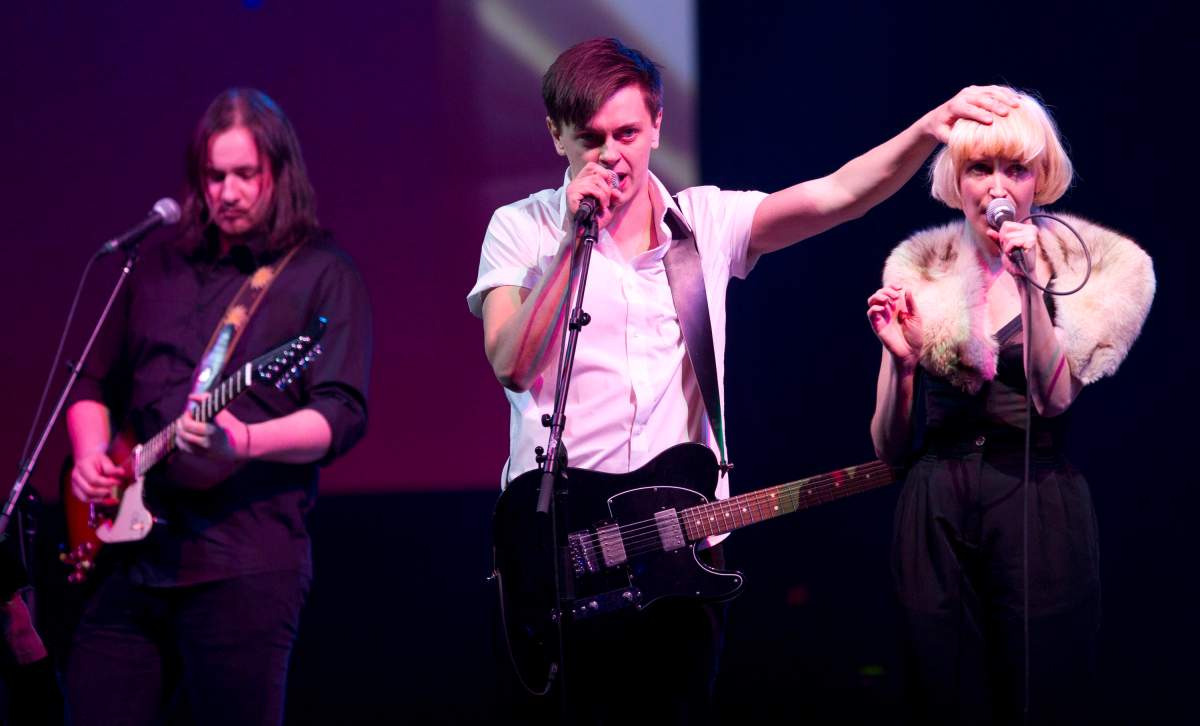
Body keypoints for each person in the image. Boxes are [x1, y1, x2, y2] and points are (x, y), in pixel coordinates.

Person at [469, 36, 1018, 723]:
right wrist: (573, 239)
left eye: (630, 133)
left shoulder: (705, 224)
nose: (613, 155)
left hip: (679, 550)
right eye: (592, 138)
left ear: (658, 125)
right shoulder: (519, 229)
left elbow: (839, 195)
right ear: (557, 135)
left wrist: (927, 127)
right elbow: (511, 361)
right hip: (564, 553)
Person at [63, 88, 371, 725]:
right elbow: (90, 384)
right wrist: (90, 456)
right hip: (129, 560)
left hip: (244, 564)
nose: (227, 191)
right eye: (214, 176)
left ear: (277, 175)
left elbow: (340, 412)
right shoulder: (154, 268)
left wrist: (248, 443)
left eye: (244, 175)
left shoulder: (321, 274)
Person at [866, 88, 1154, 724]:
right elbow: (888, 447)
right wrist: (901, 362)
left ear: (1038, 179)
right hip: (936, 505)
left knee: (1041, 692)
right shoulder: (920, 268)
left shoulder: (1081, 269)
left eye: (1015, 169)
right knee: (942, 694)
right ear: (957, 179)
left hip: (1036, 501)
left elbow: (1053, 399)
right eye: (979, 168)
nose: (997, 187)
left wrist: (1028, 284)